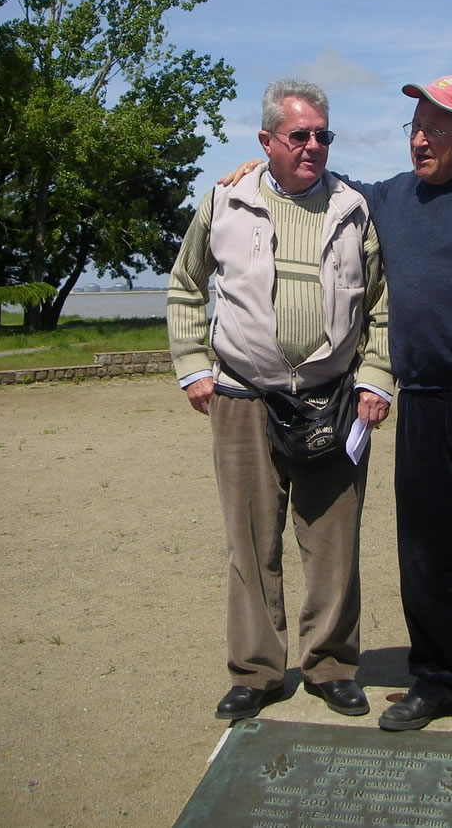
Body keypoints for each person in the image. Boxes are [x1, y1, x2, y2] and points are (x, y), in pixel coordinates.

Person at [222, 74, 452, 747]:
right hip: (423, 405)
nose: (419, 140)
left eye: (435, 129)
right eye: (414, 127)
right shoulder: (392, 197)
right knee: (428, 555)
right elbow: (325, 183)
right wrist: (264, 167)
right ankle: (438, 681)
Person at [167, 77, 392, 723]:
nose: (313, 145)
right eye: (299, 135)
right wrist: (192, 365)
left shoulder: (354, 208)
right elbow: (185, 284)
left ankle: (331, 667)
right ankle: (256, 672)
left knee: (333, 543)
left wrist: (377, 376)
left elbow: (383, 303)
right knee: (249, 543)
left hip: (334, 399)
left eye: (323, 134)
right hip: (242, 396)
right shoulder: (224, 200)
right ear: (266, 140)